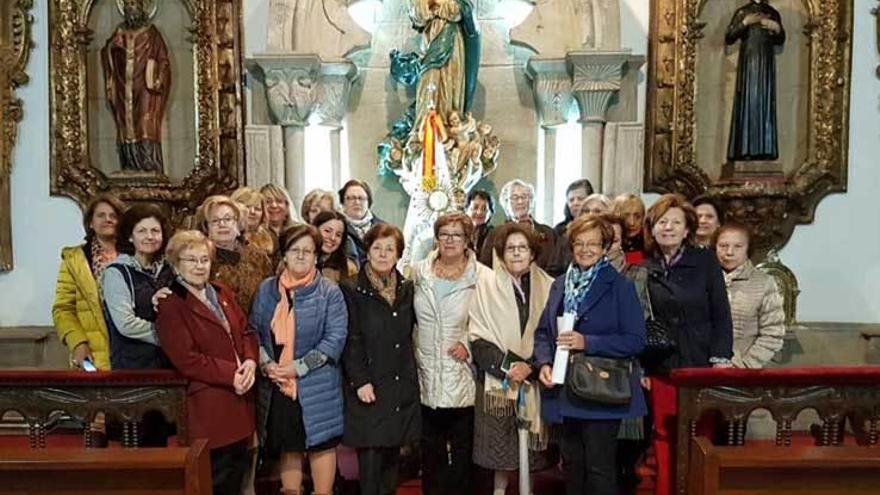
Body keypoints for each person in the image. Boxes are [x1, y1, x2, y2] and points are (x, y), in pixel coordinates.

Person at [533, 215, 646, 495]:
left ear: (605, 247)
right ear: (571, 247)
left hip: (600, 391)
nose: (585, 249)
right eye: (579, 243)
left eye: (593, 244)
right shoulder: (559, 284)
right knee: (572, 465)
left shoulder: (620, 286)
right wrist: (543, 363)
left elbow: (635, 341)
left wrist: (588, 342)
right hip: (563, 389)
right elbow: (544, 332)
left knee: (599, 468)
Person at [641, 193, 733, 495]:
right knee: (665, 435)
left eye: (675, 222)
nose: (668, 228)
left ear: (687, 229)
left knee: (699, 435)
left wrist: (721, 357)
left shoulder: (705, 260)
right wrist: (641, 365)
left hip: (700, 362)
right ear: (652, 229)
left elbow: (721, 312)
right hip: (662, 364)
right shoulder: (645, 268)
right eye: (662, 222)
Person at [156, 230, 259, 495]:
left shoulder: (221, 291)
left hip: (241, 400)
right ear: (176, 263)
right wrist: (231, 374)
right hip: (210, 405)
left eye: (204, 259)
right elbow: (187, 359)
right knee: (217, 481)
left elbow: (246, 331)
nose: (200, 266)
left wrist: (249, 361)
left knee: (237, 477)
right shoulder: (170, 304)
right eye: (191, 260)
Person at [250, 225, 348, 495]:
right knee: (289, 445)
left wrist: (299, 367)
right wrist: (267, 364)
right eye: (295, 250)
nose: (302, 256)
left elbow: (335, 338)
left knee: (321, 446)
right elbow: (254, 332)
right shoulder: (266, 290)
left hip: (317, 385)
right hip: (278, 383)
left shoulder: (329, 291)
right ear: (284, 254)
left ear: (317, 256)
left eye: (308, 251)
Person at [469, 223, 555, 495]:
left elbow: (552, 333)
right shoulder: (485, 284)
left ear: (532, 253)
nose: (516, 253)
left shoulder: (548, 285)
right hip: (498, 379)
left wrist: (530, 366)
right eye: (510, 248)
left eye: (522, 248)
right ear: (501, 253)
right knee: (500, 449)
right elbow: (477, 335)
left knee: (529, 450)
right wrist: (509, 367)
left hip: (534, 376)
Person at [341, 224, 420, 495]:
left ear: (398, 255)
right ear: (367, 250)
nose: (383, 254)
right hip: (369, 385)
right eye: (377, 248)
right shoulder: (352, 288)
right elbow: (351, 340)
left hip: (399, 384)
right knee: (371, 463)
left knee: (391, 462)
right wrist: (360, 381)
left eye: (390, 249)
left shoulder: (407, 288)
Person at [413, 213, 488, 495]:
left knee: (462, 454)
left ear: (467, 239)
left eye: (457, 234)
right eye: (444, 233)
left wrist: (469, 344)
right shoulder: (419, 271)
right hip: (427, 373)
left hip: (462, 374)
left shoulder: (482, 275)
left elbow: (490, 320)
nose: (450, 240)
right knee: (430, 454)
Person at [102, 202, 175, 446]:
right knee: (136, 439)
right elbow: (125, 323)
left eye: (155, 231)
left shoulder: (169, 271)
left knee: (161, 438)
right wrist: (170, 336)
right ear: (130, 236)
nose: (150, 237)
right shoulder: (116, 272)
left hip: (165, 368)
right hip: (132, 368)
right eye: (142, 231)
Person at [53, 194, 125, 371]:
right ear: (91, 223)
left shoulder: (134, 255)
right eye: (101, 215)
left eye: (113, 215)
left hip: (130, 350)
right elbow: (63, 309)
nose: (107, 219)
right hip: (93, 353)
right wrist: (78, 343)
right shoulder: (74, 260)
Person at [101, 0, 170, 172]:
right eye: (127, 5)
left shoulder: (152, 34)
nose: (129, 8)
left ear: (141, 8)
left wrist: (158, 78)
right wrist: (112, 48)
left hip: (145, 88)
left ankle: (149, 165)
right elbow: (106, 53)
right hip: (123, 88)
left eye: (133, 4)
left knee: (145, 123)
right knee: (126, 125)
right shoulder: (119, 32)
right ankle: (129, 165)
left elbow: (163, 60)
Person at [715, 223, 784, 368]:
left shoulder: (764, 282)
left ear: (748, 249)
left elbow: (772, 333)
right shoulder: (702, 279)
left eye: (738, 246)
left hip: (747, 372)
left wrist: (744, 364)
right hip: (703, 370)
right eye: (723, 246)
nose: (729, 252)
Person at [725, 0, 785, 162]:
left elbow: (781, 39)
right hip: (750, 62)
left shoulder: (772, 13)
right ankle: (745, 149)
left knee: (764, 102)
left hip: (766, 65)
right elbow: (730, 36)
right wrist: (745, 22)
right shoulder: (743, 12)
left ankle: (765, 149)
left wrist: (776, 28)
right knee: (748, 101)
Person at [194, 195, 273, 313]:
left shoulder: (258, 256)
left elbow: (270, 292)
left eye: (227, 219)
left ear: (237, 223)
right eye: (215, 220)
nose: (222, 224)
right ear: (206, 227)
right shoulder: (199, 258)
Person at [480, 179, 557, 274]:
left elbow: (556, 265)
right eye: (514, 197)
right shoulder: (496, 234)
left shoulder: (548, 233)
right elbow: (485, 267)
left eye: (524, 197)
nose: (520, 201)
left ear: (531, 201)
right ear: (506, 203)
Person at [339, 179, 385, 267]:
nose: (356, 202)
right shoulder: (337, 230)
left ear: (368, 202)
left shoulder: (384, 229)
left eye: (361, 198)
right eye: (351, 198)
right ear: (343, 202)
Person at [312, 211, 358, 283]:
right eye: (327, 231)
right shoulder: (300, 259)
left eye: (338, 235)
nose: (333, 238)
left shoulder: (349, 268)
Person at [231, 186, 275, 256]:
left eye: (257, 209)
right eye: (247, 206)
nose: (252, 212)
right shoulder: (225, 237)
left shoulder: (270, 238)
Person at [260, 184, 299, 254]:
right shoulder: (256, 235)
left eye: (279, 201)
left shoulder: (298, 232)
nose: (274, 205)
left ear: (287, 206)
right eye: (268, 202)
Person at [612, 193, 646, 265]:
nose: (632, 223)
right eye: (625, 217)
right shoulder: (608, 242)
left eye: (637, 217)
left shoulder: (650, 244)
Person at [465, 189, 495, 255]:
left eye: (484, 209)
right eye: (475, 207)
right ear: (466, 210)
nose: (479, 212)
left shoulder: (494, 235)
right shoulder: (459, 233)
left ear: (490, 213)